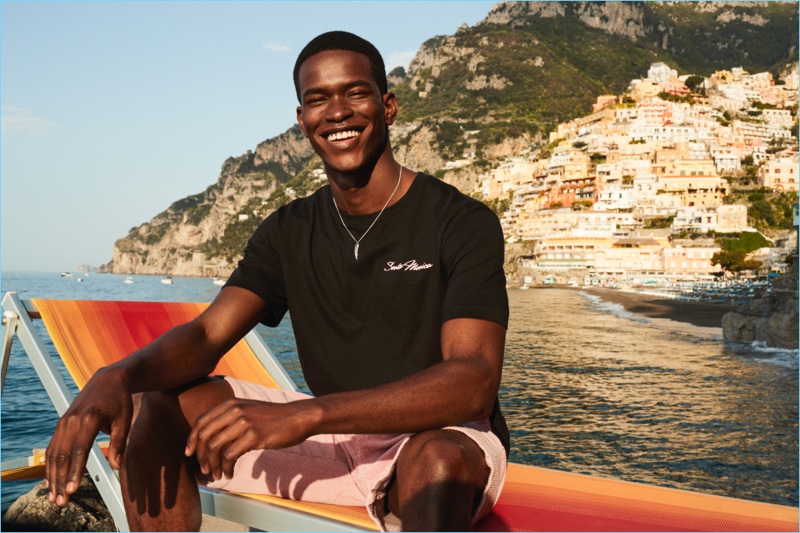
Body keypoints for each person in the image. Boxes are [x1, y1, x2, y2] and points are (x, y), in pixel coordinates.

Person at [45, 30, 510, 532]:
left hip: (430, 436)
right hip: (333, 439)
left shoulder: (460, 221)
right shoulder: (289, 230)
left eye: (355, 92)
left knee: (437, 460)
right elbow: (205, 336)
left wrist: (307, 416)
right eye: (317, 99)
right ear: (302, 120)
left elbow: (473, 380)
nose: (337, 112)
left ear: (388, 105)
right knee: (157, 406)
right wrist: (119, 375)